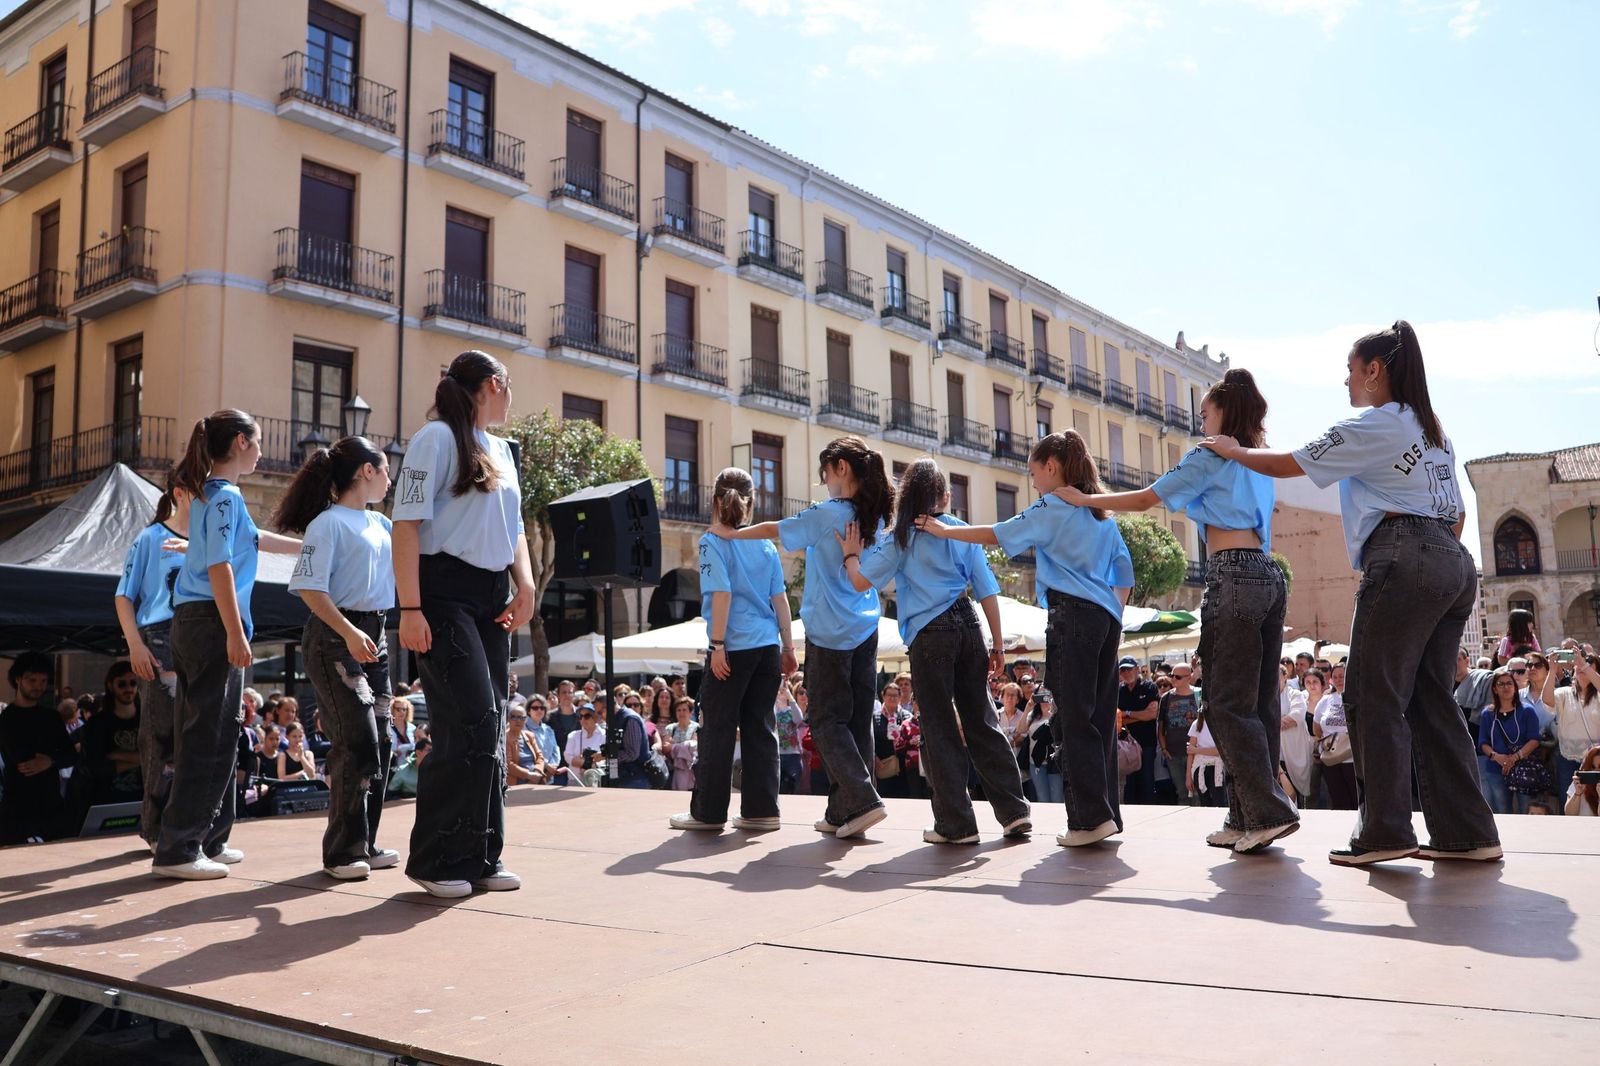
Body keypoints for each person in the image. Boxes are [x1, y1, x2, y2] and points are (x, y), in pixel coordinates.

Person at [1202, 320, 1500, 865]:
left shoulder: (1374, 425)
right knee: (1432, 697)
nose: (1346, 381)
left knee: (1371, 696)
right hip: (1452, 563)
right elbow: (1456, 515)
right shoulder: (1435, 431)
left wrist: (1233, 451)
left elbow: (1290, 462)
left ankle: (1385, 831)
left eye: (1349, 370)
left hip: (1403, 557)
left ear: (1374, 371)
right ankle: (1469, 832)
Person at [1058, 369, 1297, 852]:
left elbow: (1148, 498)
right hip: (1268, 574)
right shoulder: (1256, 460)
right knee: (1258, 705)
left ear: (1224, 410)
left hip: (1231, 572)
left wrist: (1086, 498)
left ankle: (1267, 811)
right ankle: (1245, 816)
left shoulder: (1210, 453)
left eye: (1205, 412)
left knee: (1226, 705)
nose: (1200, 421)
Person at [919, 431, 1133, 847]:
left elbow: (998, 533)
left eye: (1034, 472)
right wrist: (1114, 611)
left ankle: (1088, 820)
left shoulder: (1052, 505)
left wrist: (944, 533)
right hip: (1106, 618)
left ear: (1052, 466)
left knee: (1073, 720)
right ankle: (1106, 815)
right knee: (1101, 720)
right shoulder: (1099, 513)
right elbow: (1124, 573)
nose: (1034, 482)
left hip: (1071, 615)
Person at [393, 350, 535, 898]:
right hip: (441, 593)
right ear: (493, 385)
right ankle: (434, 859)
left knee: (492, 724)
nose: (510, 400)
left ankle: (481, 857)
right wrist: (410, 609)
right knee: (469, 721)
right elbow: (405, 524)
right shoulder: (434, 439)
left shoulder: (501, 448)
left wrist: (524, 585)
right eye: (508, 390)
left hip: (491, 595)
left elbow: (515, 526)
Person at [710, 436, 896, 840]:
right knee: (858, 720)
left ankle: (863, 800)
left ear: (841, 469)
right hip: (866, 627)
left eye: (825, 473)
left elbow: (778, 528)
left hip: (830, 631)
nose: (824, 482)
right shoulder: (876, 516)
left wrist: (730, 534)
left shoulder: (831, 512)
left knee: (827, 722)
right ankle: (842, 812)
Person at [840, 457, 1030, 843]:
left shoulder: (901, 536)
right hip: (969, 624)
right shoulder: (960, 530)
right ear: (943, 495)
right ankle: (1014, 812)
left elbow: (860, 582)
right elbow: (987, 589)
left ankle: (956, 824)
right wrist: (997, 643)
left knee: (940, 728)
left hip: (930, 633)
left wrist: (849, 551)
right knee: (982, 720)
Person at [157, 410, 300, 880]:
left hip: (196, 619)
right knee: (210, 736)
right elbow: (220, 566)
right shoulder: (224, 497)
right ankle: (181, 849)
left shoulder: (212, 495)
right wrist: (236, 632)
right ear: (240, 442)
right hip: (211, 622)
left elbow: (250, 541)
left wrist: (309, 546)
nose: (262, 451)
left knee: (211, 731)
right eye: (257, 442)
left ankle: (208, 839)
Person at [276, 435, 399, 881]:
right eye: (385, 469)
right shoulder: (327, 524)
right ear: (367, 470)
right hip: (335, 638)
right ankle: (341, 853)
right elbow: (310, 588)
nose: (389, 478)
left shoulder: (381, 525)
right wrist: (348, 633)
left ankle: (363, 842)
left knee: (382, 743)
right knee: (358, 742)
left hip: (376, 635)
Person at [671, 469, 797, 831]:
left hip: (733, 646)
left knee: (717, 728)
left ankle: (708, 813)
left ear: (715, 501)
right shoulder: (764, 544)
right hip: (767, 647)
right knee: (760, 726)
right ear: (752, 503)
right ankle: (762, 811)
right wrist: (788, 646)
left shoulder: (711, 542)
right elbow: (780, 599)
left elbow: (721, 594)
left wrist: (718, 645)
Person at [114, 469, 190, 849]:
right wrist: (134, 644)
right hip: (158, 637)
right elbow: (123, 595)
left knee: (197, 739)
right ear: (179, 493)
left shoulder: (211, 542)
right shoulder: (150, 538)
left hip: (199, 639)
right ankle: (157, 830)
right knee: (160, 738)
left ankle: (188, 829)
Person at [0, 653, 72, 843]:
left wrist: (50, 760)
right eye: (32, 680)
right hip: (17, 810)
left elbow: (71, 754)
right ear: (18, 679)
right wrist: (52, 758)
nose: (38, 686)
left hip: (51, 806)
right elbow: (23, 761)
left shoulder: (52, 717)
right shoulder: (7, 719)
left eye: (43, 680)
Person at [1540, 642, 1600, 802]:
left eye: (1588, 665)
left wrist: (1583, 664)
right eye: (1577, 665)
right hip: (1567, 759)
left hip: (1596, 760)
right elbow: (1547, 700)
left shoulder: (1598, 695)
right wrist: (1552, 671)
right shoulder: (1565, 693)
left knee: (1595, 801)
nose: (1580, 667)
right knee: (1568, 801)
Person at [1477, 667, 1541, 815]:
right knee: (1502, 810)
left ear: (1515, 687)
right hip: (1495, 768)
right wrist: (1497, 757)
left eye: (1509, 683)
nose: (1506, 687)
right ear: (1494, 689)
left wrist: (1514, 758)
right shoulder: (1488, 714)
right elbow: (1482, 743)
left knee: (1526, 810)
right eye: (1501, 684)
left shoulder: (1527, 711)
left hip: (1523, 767)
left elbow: (1534, 739)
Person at [82, 661, 143, 806]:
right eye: (122, 684)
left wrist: (116, 754)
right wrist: (141, 759)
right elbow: (95, 767)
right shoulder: (97, 723)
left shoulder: (147, 720)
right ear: (110, 686)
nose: (128, 688)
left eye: (133, 683)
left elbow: (160, 759)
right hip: (106, 800)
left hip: (144, 799)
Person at [1114, 659, 1160, 806]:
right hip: (1125, 746)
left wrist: (1128, 714)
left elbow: (1152, 715)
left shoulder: (1149, 687)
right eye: (1123, 670)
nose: (1126, 673)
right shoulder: (1119, 690)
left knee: (1147, 784)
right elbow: (1117, 719)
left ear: (1137, 669)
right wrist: (1140, 715)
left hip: (1146, 744)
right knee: (1129, 787)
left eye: (1129, 669)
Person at [1159, 664, 1202, 807]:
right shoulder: (1165, 698)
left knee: (1198, 792)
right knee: (1182, 793)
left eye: (1177, 676)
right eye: (1172, 675)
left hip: (1197, 753)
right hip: (1173, 753)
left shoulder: (1199, 694)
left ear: (1189, 677)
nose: (1173, 679)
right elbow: (1161, 726)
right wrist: (1164, 749)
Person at [1278, 664, 1315, 806]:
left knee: (1294, 795)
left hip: (1294, 753)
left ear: (1285, 676)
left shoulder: (1295, 694)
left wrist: (1273, 724)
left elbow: (1297, 716)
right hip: (1276, 754)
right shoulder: (1266, 697)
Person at [1185, 706, 1227, 807]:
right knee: (1205, 804)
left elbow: (1219, 751)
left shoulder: (1221, 723)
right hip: (1199, 768)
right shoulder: (1197, 724)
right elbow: (1190, 752)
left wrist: (1197, 750)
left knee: (1220, 803)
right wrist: (1188, 777)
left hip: (1217, 768)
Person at [774, 681, 806, 795]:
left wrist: (789, 696)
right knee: (777, 790)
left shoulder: (791, 710)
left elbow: (798, 718)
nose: (780, 691)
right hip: (776, 755)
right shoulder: (773, 711)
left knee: (793, 791)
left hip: (793, 757)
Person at [662, 697, 699, 790]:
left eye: (684, 710)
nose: (681, 713)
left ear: (690, 712)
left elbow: (695, 748)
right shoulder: (670, 728)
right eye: (679, 710)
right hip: (674, 771)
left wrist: (674, 746)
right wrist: (685, 747)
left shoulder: (697, 728)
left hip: (692, 772)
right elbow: (665, 748)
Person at [1454, 646, 1494, 730]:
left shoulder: (1485, 679)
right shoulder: (1444, 686)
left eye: (1458, 659)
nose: (1453, 663)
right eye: (1450, 660)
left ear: (1467, 661)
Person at [1565, 744, 1600, 816]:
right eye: (1592, 767)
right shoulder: (1580, 783)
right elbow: (1569, 814)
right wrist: (1578, 793)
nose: (1596, 771)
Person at [389, 696, 417, 761]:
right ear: (392, 710)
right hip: (392, 765)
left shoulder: (413, 728)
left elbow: (417, 746)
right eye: (398, 709)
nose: (402, 712)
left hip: (410, 766)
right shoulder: (387, 728)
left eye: (404, 709)